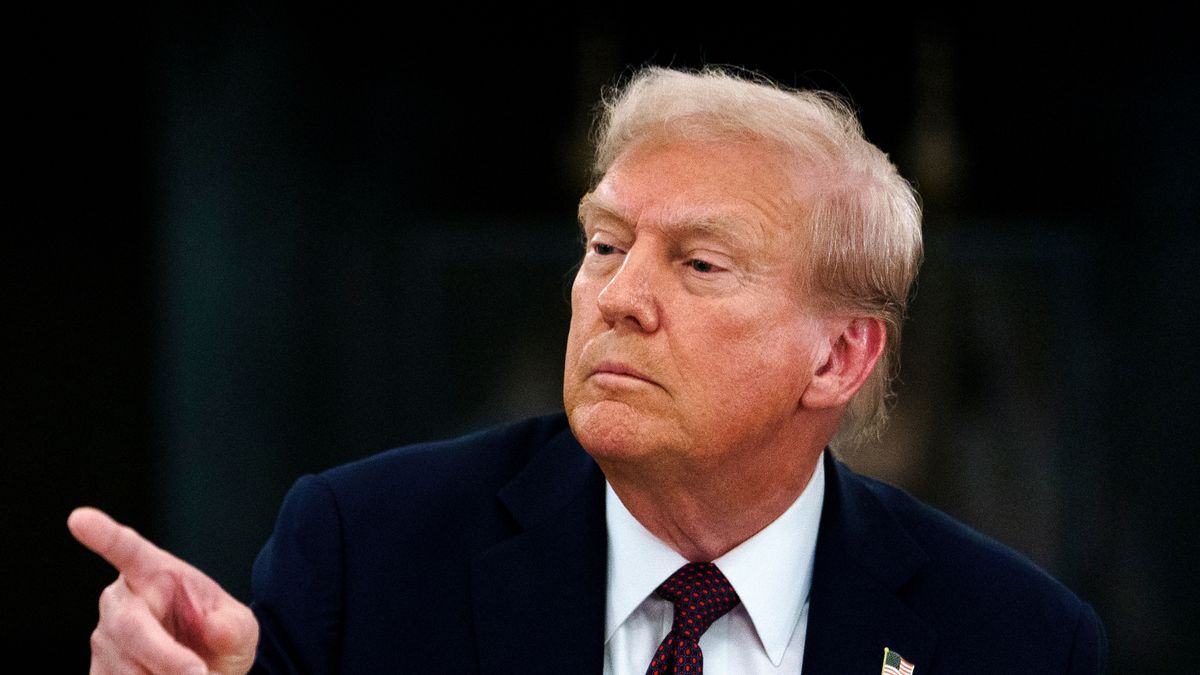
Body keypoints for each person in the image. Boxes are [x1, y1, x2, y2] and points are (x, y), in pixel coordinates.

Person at [70, 66, 1106, 674]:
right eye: (606, 245)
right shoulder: (365, 553)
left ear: (839, 356)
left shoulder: (1016, 640)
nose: (618, 296)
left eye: (699, 264)